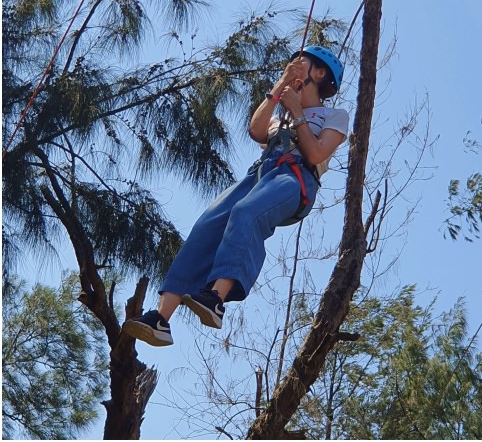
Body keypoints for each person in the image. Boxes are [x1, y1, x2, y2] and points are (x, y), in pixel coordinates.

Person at [123, 45, 350, 347]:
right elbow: (257, 130)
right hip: (260, 172)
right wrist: (280, 86)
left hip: (295, 178)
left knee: (247, 212)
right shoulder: (279, 114)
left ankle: (216, 298)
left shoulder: (334, 116)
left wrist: (298, 112)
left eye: (301, 63)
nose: (293, 66)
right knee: (208, 225)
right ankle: (162, 318)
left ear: (319, 73)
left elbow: (316, 152)